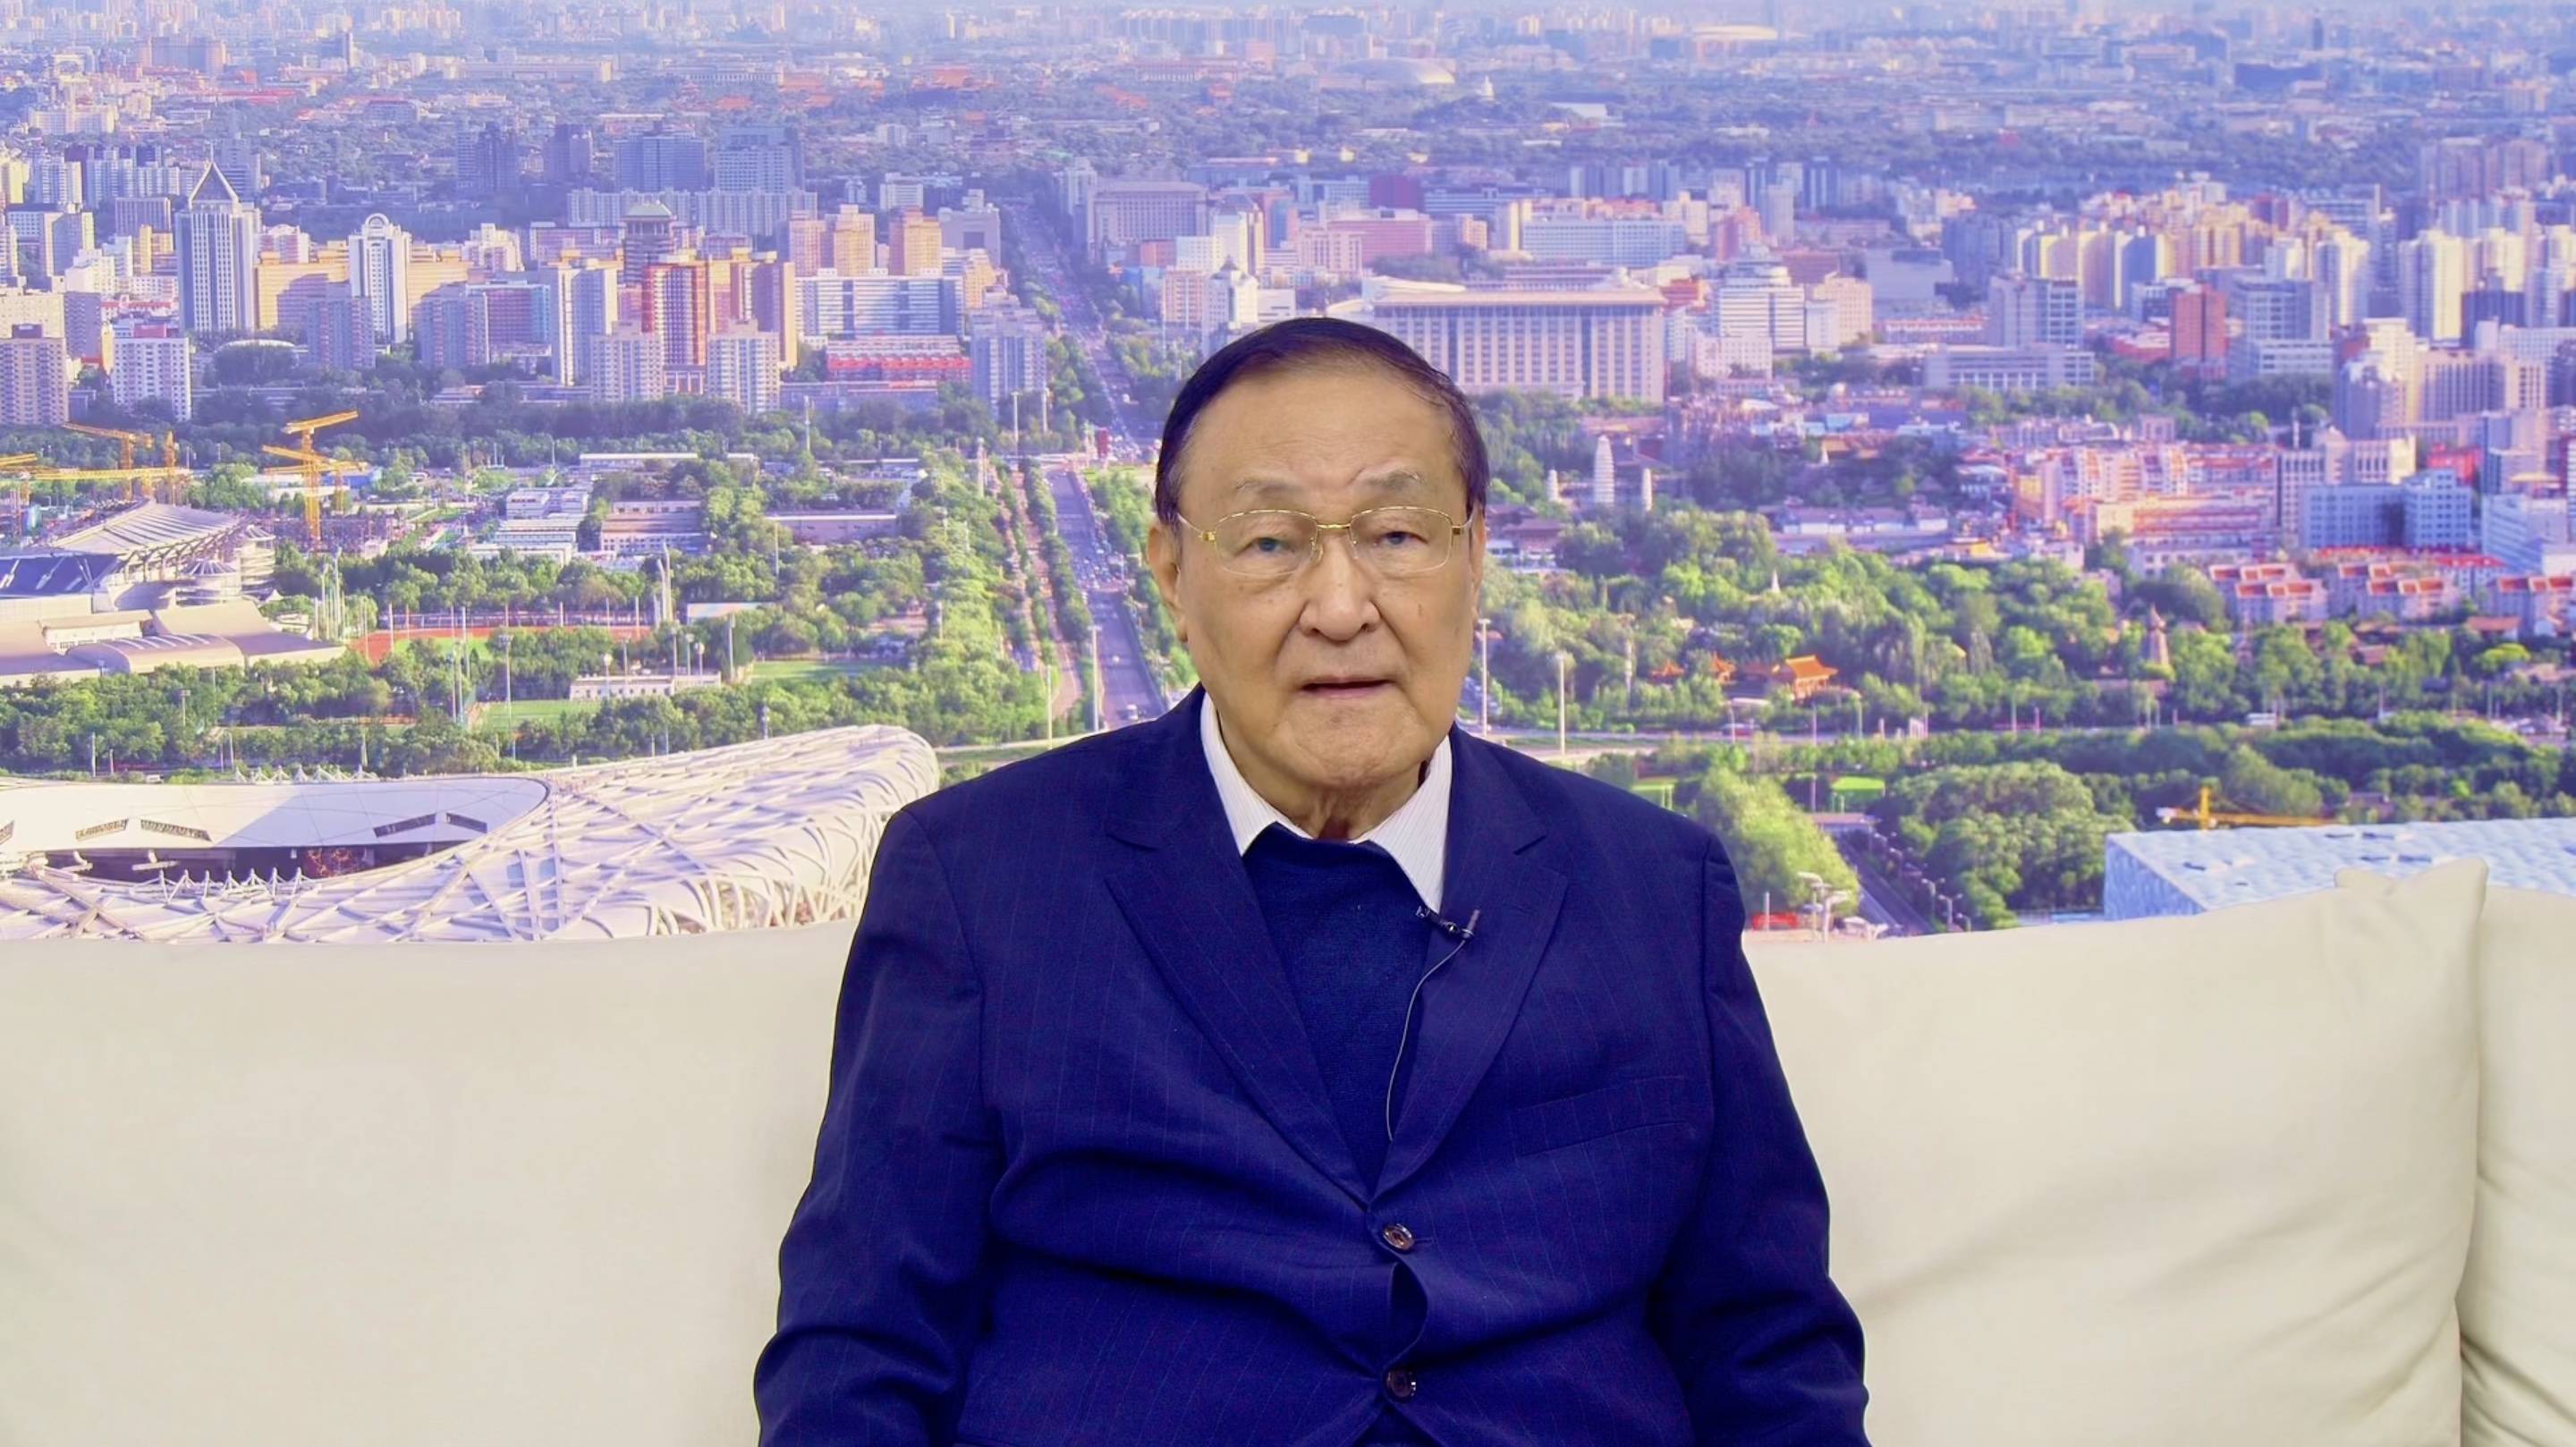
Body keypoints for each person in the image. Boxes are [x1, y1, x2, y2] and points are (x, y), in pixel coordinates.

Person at [755, 317, 1869, 1447]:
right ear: (1172, 574)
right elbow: (859, 1354)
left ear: (1474, 554)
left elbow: (1769, 1349)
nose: (1341, 608)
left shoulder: (1653, 888)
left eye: (1397, 534)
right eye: (1271, 543)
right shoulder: (980, 879)